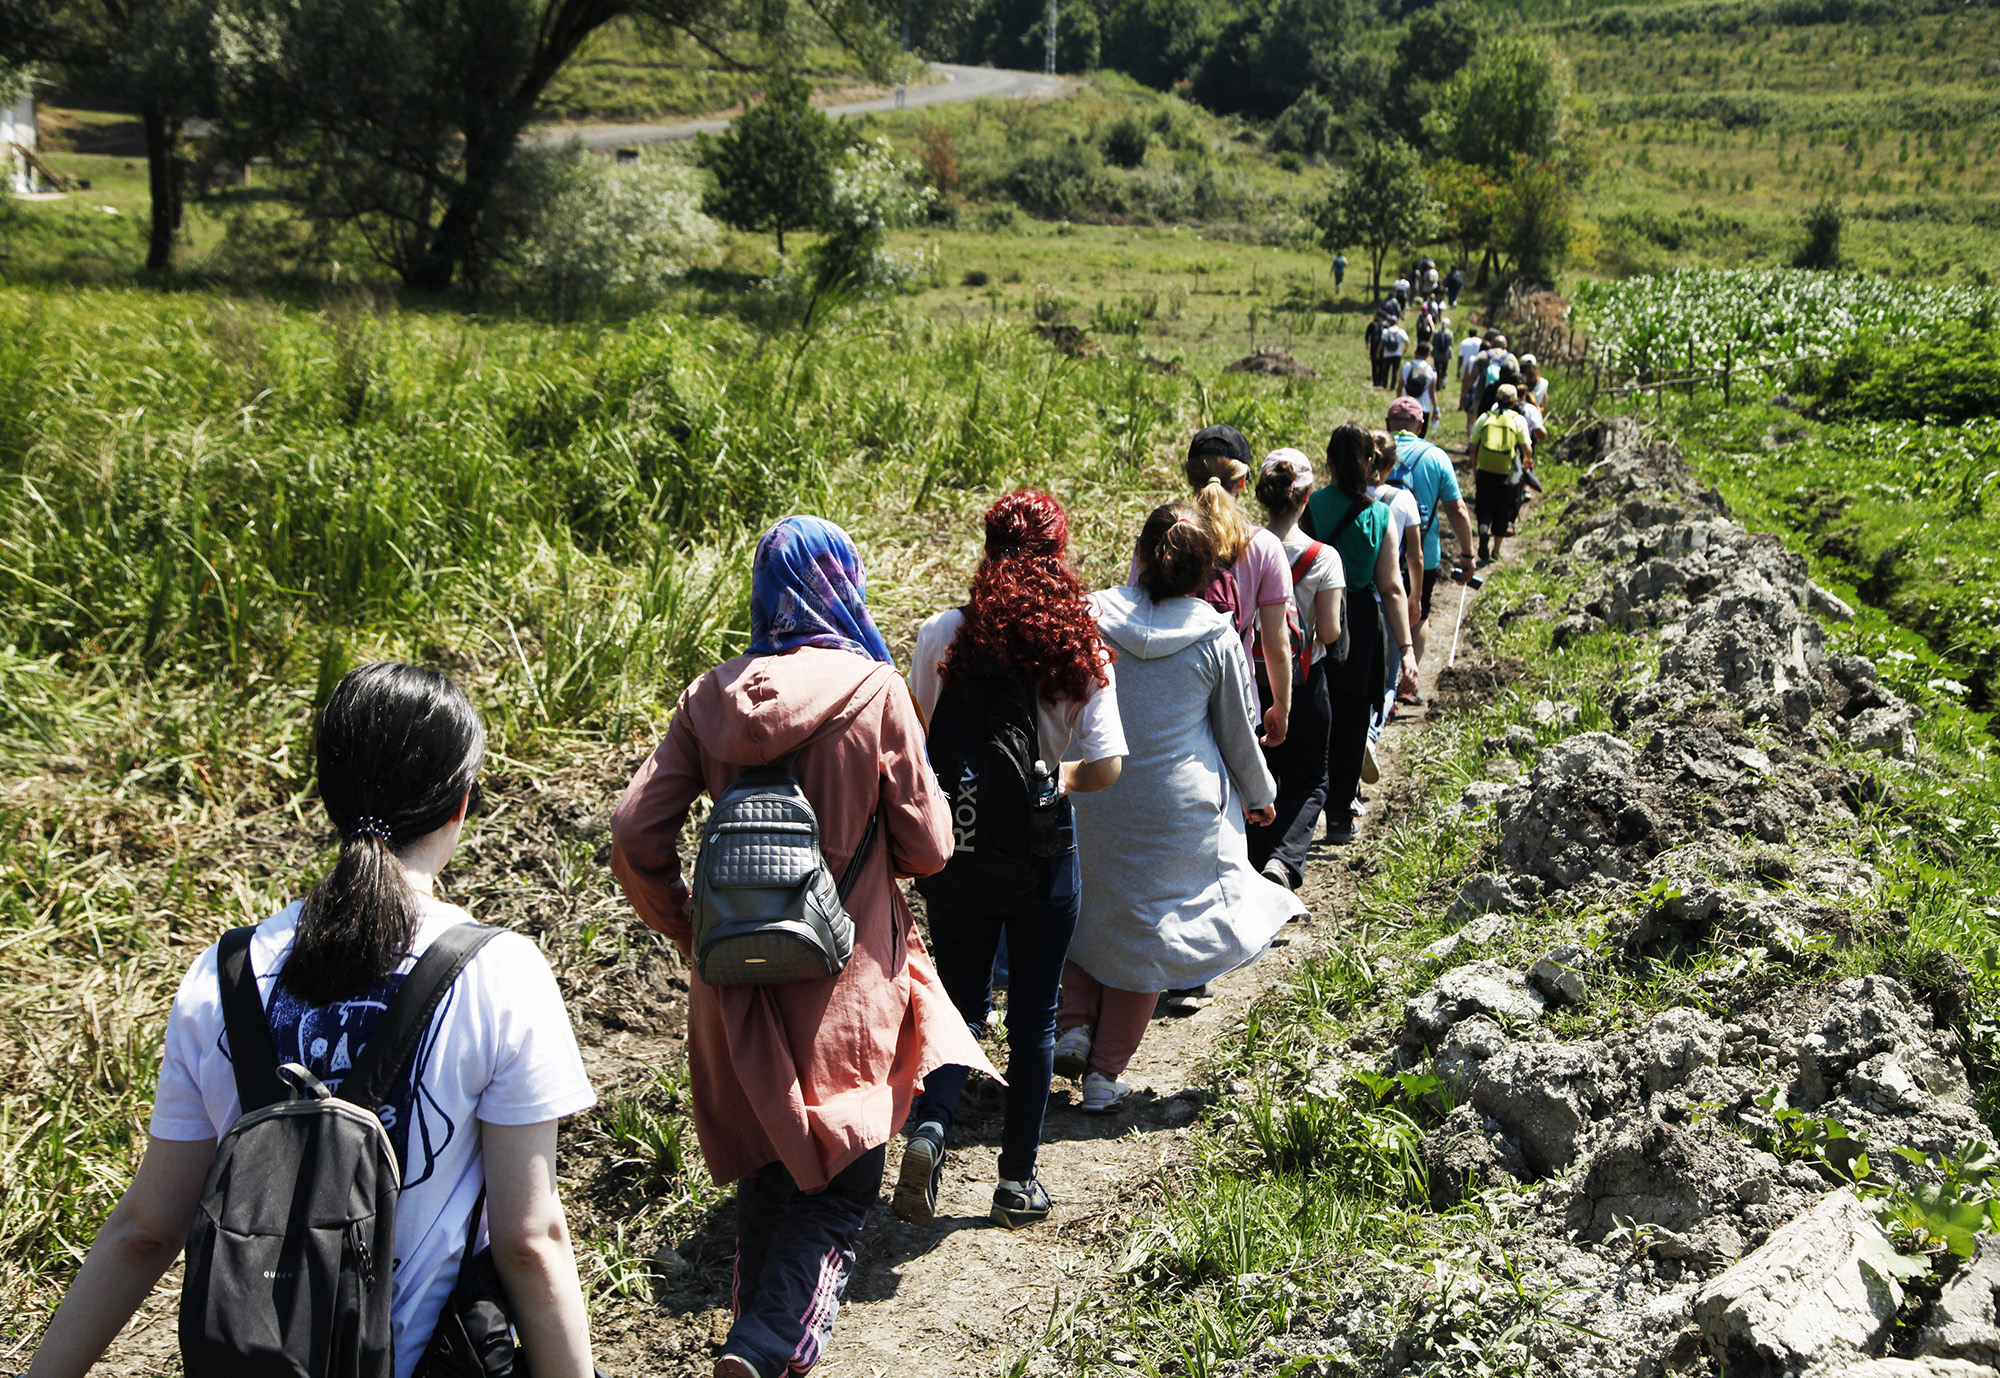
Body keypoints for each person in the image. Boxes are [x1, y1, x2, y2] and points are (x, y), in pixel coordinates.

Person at [24, 662, 599, 1378]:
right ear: (461, 802)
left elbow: (146, 1230)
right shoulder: (501, 972)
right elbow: (529, 1241)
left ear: (326, 795)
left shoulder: (223, 973)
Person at [609, 516, 993, 1378]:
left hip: (735, 978)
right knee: (843, 1190)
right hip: (845, 980)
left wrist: (688, 923)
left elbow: (635, 832)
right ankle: (764, 1343)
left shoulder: (709, 700)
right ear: (842, 585)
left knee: (769, 1173)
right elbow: (930, 848)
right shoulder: (873, 690)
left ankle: (759, 1339)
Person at [899, 491, 1126, 1231]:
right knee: (1034, 1020)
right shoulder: (1077, 641)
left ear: (988, 548)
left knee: (957, 1007)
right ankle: (1016, 1182)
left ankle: (930, 1129)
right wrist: (1046, 783)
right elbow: (1106, 765)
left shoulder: (943, 634)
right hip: (1042, 857)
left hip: (957, 854)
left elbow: (918, 740)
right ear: (1058, 553)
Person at [1059, 505, 1304, 1111]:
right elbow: (1236, 732)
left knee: (1086, 909)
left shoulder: (1090, 614)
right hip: (1176, 814)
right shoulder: (1215, 634)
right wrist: (1260, 794)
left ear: (1139, 554)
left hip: (1092, 791)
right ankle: (1103, 1077)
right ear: (1206, 574)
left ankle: (1071, 1027)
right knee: (1152, 932)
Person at [1301, 425, 1420, 844]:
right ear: (1371, 462)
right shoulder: (1381, 515)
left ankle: (1302, 806)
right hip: (1363, 625)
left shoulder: (1313, 506)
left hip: (1319, 616)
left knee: (1317, 709)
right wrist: (1406, 648)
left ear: (1329, 461)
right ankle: (1338, 817)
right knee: (1353, 718)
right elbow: (1391, 586)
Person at [1248, 450, 1345, 890]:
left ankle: (1251, 867)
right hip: (1305, 684)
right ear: (1307, 496)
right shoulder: (1324, 557)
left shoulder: (1240, 548)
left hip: (1250, 684)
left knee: (1256, 775)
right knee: (1309, 779)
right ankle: (1284, 861)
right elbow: (1329, 630)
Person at [1178, 424, 1296, 753]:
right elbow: (1276, 644)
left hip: (1170, 698)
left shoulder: (1160, 536)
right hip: (1237, 701)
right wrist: (1281, 707)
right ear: (1243, 481)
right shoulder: (1264, 545)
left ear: (1190, 478)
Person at [1383, 396, 1477, 677]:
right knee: (1417, 614)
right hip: (1423, 553)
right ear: (1420, 425)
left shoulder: (1372, 450)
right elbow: (1457, 510)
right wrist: (1467, 554)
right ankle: (1407, 682)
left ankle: (1380, 681)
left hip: (1375, 550)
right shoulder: (1435, 456)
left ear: (1388, 423)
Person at [1367, 432, 1424, 725]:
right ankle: (1372, 733)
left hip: (1352, 597)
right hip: (1390, 595)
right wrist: (1414, 597)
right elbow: (1415, 557)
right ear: (1392, 465)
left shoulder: (1346, 496)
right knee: (1389, 676)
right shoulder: (1403, 499)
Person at [1470, 384, 1534, 565]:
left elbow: (1473, 447)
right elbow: (1526, 448)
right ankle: (1496, 550)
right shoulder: (1518, 420)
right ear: (1515, 401)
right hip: (1506, 472)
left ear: (1496, 400)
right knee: (1503, 507)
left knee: (1484, 504)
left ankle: (1483, 530)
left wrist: (1476, 469)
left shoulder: (1485, 418)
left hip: (1485, 469)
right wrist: (1528, 461)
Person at [1401, 354, 1440, 429]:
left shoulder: (1406, 366)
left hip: (1406, 406)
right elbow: (1432, 392)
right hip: (1423, 407)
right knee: (1420, 437)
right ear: (1428, 355)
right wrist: (1436, 409)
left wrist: (1399, 404)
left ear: (1415, 352)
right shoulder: (1431, 370)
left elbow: (1399, 388)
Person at [1378, 314, 1409, 393]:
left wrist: (1378, 351)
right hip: (1397, 354)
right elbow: (1406, 341)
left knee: (1386, 371)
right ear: (1396, 322)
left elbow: (1381, 342)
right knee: (1395, 371)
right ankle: (1392, 386)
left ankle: (1384, 385)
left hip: (1387, 354)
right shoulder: (1400, 331)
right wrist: (1405, 349)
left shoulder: (1386, 331)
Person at [1432, 315, 1455, 381]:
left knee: (1436, 368)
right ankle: (1443, 381)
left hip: (1437, 353)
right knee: (1444, 369)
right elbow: (1451, 344)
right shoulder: (1450, 333)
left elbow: (1433, 342)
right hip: (1446, 354)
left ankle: (1437, 382)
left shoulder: (1436, 332)